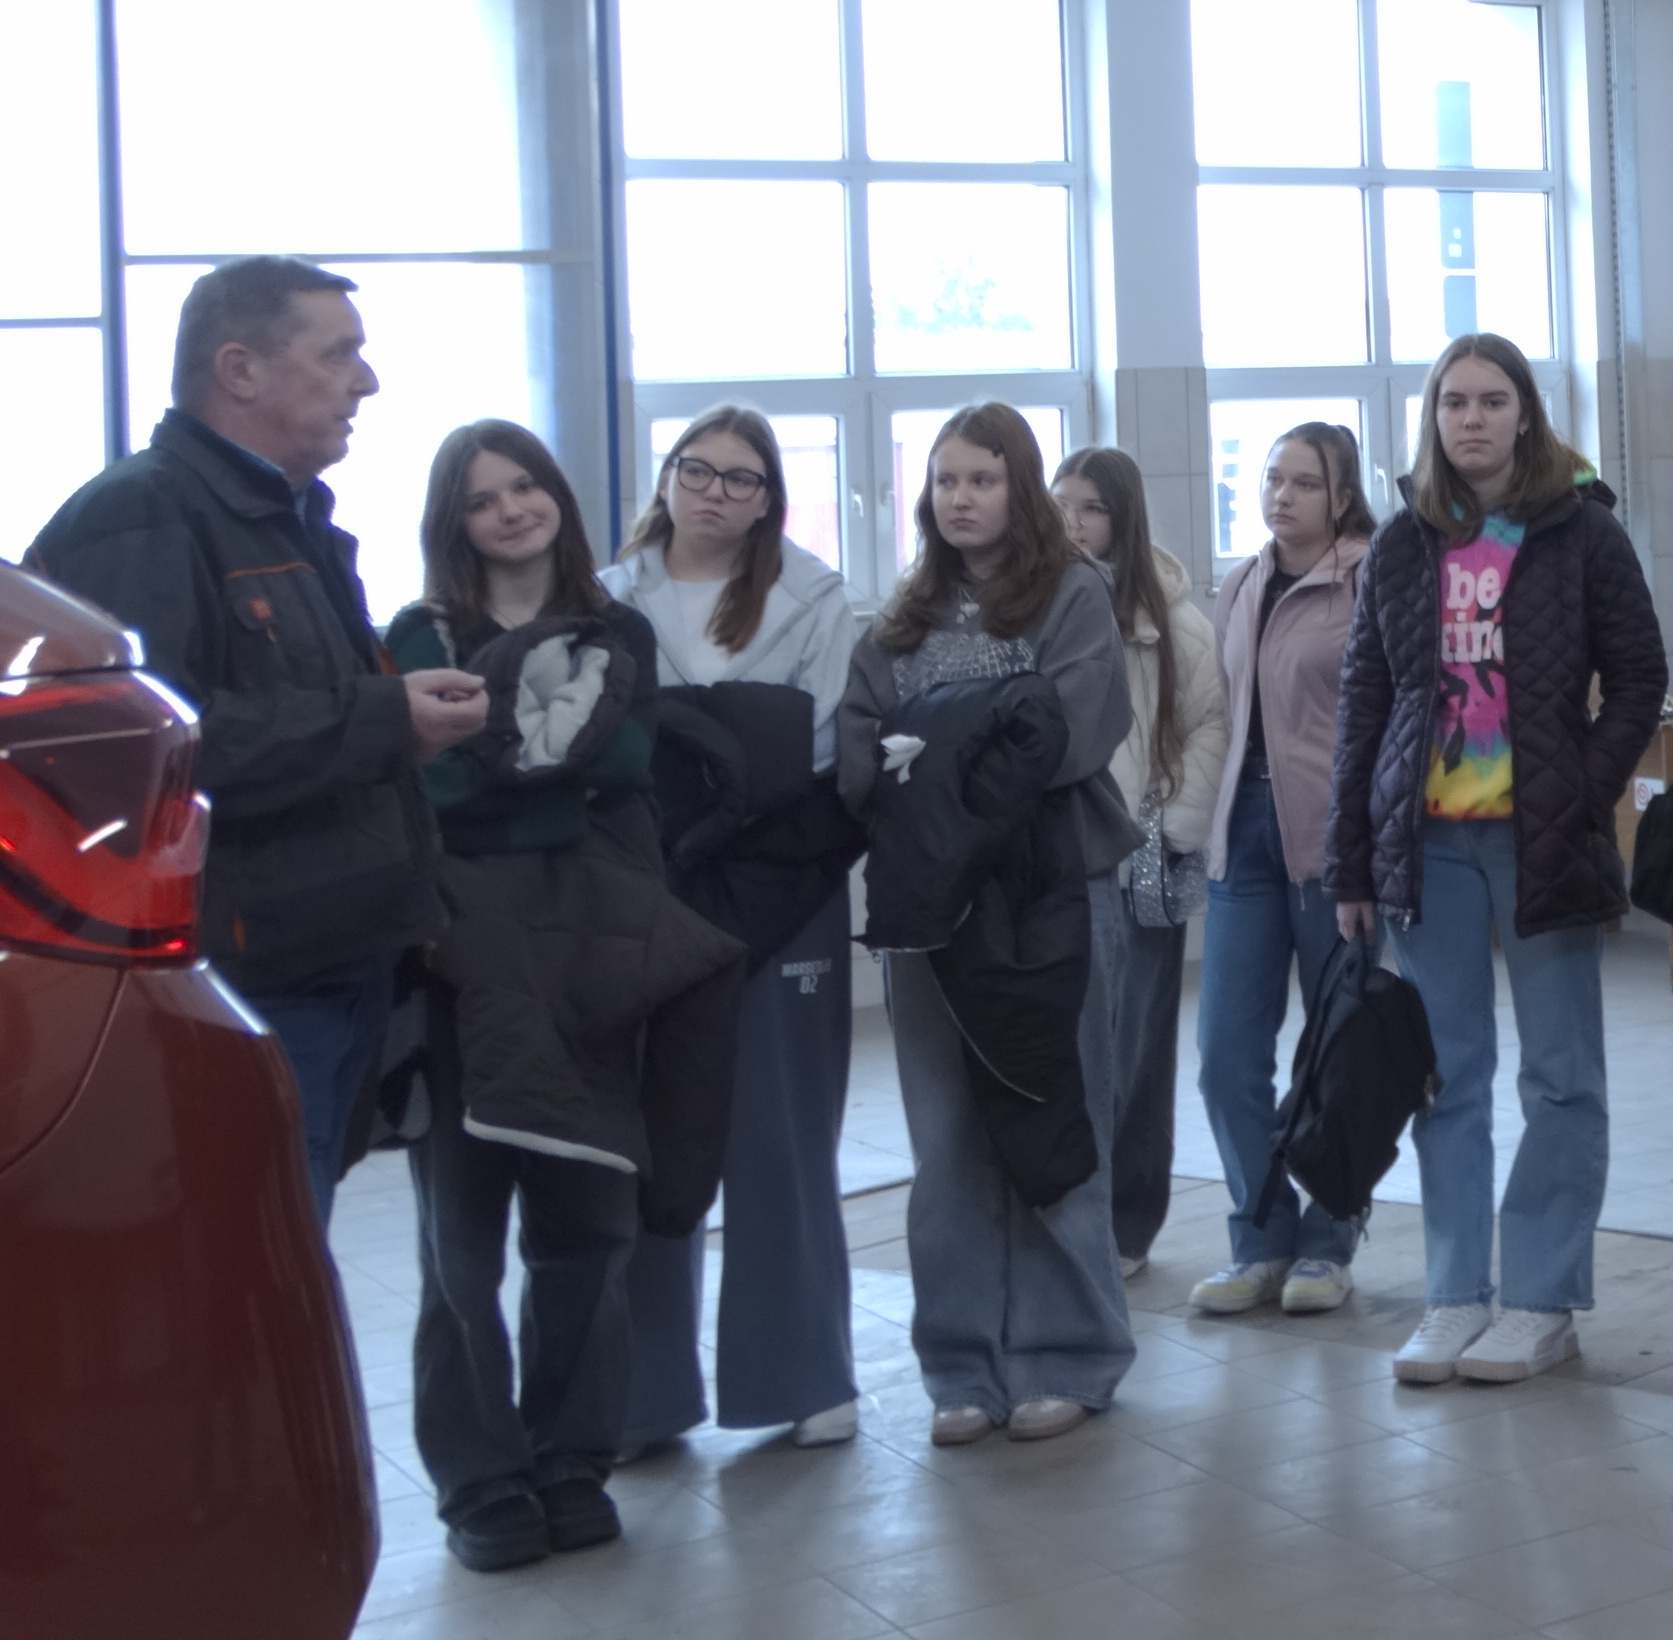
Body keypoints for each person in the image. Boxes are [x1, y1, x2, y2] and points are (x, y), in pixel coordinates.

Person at [28, 257, 483, 1223]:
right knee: (254, 1247)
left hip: (336, 960)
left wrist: (394, 728)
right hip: (248, 980)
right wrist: (385, 720)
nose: (368, 381)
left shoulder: (289, 516)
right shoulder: (140, 514)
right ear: (239, 369)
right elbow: (148, 748)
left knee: (291, 1237)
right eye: (340, 354)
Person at [1331, 334, 1667, 1385]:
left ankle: (1541, 1299)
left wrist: (1584, 790)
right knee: (1445, 1078)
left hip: (1542, 842)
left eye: (1491, 400)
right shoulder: (1402, 543)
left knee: (1561, 1078)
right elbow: (1364, 704)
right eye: (1453, 403)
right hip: (1426, 844)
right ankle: (1453, 1295)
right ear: (1431, 419)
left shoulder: (1582, 530)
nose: (1470, 419)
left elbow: (1642, 679)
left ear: (1526, 413)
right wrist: (1351, 863)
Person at [385, 424, 679, 1572]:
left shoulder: (621, 633)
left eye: (525, 487)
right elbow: (436, 792)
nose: (511, 510)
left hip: (591, 963)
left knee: (587, 1231)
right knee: (461, 1248)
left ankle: (569, 1460)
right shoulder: (419, 637)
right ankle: (480, 1480)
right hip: (463, 970)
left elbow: (625, 767)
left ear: (557, 495)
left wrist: (504, 770)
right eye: (482, 499)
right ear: (453, 524)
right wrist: (547, 784)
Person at [839, 404, 1138, 1445]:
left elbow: (1068, 735)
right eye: (944, 480)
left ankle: (1069, 1353)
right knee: (948, 1140)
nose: (959, 499)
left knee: (1055, 1121)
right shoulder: (902, 615)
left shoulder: (1073, 594)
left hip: (1052, 892)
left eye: (981, 479)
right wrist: (978, 733)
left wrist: (935, 756)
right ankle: (962, 1366)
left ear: (1020, 487)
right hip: (931, 910)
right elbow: (861, 750)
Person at [606, 408, 864, 1458]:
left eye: (741, 478)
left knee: (777, 1134)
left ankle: (802, 1376)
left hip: (779, 884)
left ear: (769, 500)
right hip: (647, 888)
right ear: (666, 478)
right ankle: (641, 1397)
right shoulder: (608, 597)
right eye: (697, 470)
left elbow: (817, 741)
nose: (715, 491)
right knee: (643, 1138)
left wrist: (696, 747)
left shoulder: (814, 595)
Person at [1184, 420, 1376, 1320]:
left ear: (1342, 494)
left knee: (1336, 1058)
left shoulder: (1368, 577)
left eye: (1303, 482)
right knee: (1225, 1055)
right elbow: (1226, 713)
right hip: (1246, 834)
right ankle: (1259, 1237)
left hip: (1334, 842)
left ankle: (1329, 1241)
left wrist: (1367, 845)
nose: (1281, 496)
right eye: (1271, 478)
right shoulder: (1244, 582)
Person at [1055, 444, 1228, 1284]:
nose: (1072, 523)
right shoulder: (1036, 604)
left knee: (1134, 1051)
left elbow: (1210, 726)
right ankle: (1064, 1216)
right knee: (1066, 1051)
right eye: (1060, 505)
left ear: (1121, 520)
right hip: (1056, 864)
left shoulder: (1173, 622)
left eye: (1090, 508)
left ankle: (1128, 1221)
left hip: (1139, 861)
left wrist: (1173, 827)